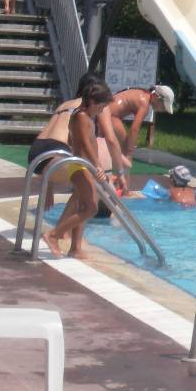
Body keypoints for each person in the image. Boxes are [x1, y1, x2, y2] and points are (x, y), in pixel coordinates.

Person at [28, 73, 129, 211]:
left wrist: (48, 185)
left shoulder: (65, 104)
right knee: (94, 185)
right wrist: (121, 173)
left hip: (36, 151)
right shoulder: (97, 105)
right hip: (58, 152)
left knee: (83, 185)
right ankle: (67, 225)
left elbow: (52, 143)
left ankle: (69, 224)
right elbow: (111, 140)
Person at [41, 82, 115, 259]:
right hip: (82, 166)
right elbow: (86, 144)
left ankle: (75, 248)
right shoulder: (81, 116)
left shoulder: (82, 116)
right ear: (93, 102)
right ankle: (54, 235)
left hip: (85, 165)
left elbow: (73, 139)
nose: (101, 111)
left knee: (83, 206)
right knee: (91, 208)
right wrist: (97, 165)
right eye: (101, 107)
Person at [107, 85, 175, 160]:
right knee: (125, 149)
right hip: (111, 115)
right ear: (157, 97)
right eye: (163, 107)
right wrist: (129, 152)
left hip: (105, 110)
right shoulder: (144, 104)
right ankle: (120, 166)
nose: (163, 110)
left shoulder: (142, 93)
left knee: (113, 145)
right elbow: (134, 129)